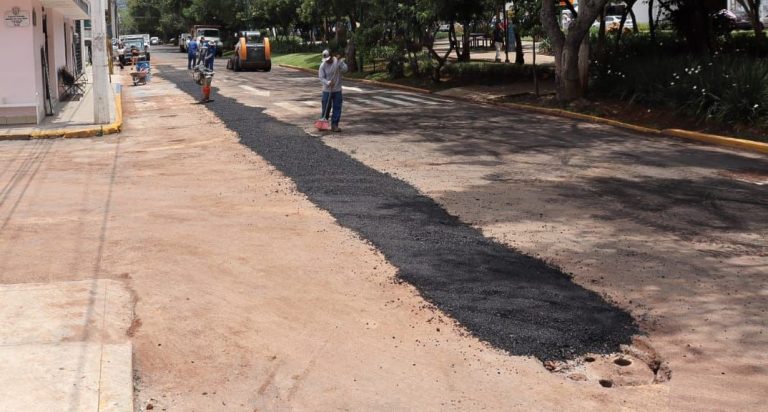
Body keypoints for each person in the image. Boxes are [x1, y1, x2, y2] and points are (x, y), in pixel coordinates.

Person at [318, 49, 348, 132]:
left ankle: (334, 125)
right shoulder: (322, 65)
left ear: (331, 56)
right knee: (326, 107)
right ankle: (324, 122)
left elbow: (345, 70)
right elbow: (321, 77)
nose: (327, 61)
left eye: (328, 59)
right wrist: (327, 82)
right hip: (327, 90)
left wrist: (340, 62)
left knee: (337, 107)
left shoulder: (337, 61)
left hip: (337, 89)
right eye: (325, 60)